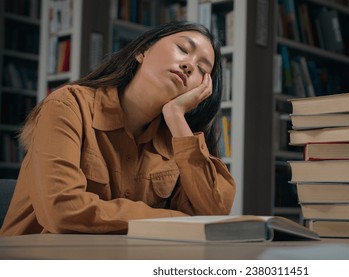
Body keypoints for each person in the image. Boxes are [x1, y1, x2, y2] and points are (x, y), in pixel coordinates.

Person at [0, 21, 236, 236]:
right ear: (142, 51)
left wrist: (175, 116)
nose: (188, 65)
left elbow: (211, 214)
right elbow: (63, 210)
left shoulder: (176, 138)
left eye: (203, 70)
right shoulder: (67, 105)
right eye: (183, 49)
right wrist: (177, 221)